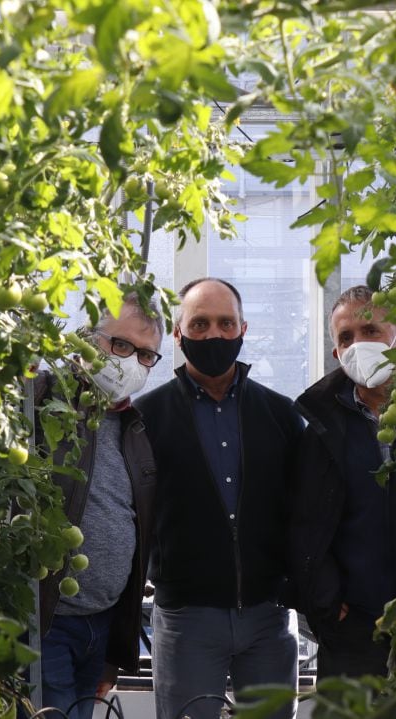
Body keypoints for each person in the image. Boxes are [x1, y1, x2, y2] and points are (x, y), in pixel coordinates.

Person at [135, 278, 304, 719]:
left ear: (243, 329)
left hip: (268, 617)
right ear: (178, 332)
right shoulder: (145, 418)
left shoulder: (282, 414)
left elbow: (305, 510)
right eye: (201, 323)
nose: (214, 335)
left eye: (226, 323)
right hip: (186, 619)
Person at [34, 294, 163, 719]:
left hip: (101, 624)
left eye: (145, 355)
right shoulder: (41, 401)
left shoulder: (135, 428)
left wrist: (114, 651)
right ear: (87, 338)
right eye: (121, 346)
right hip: (47, 622)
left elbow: (137, 532)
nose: (131, 363)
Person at [290, 285, 396, 679]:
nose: (358, 345)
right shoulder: (318, 425)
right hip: (354, 627)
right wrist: (327, 602)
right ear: (336, 354)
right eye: (346, 338)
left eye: (370, 332)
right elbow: (301, 521)